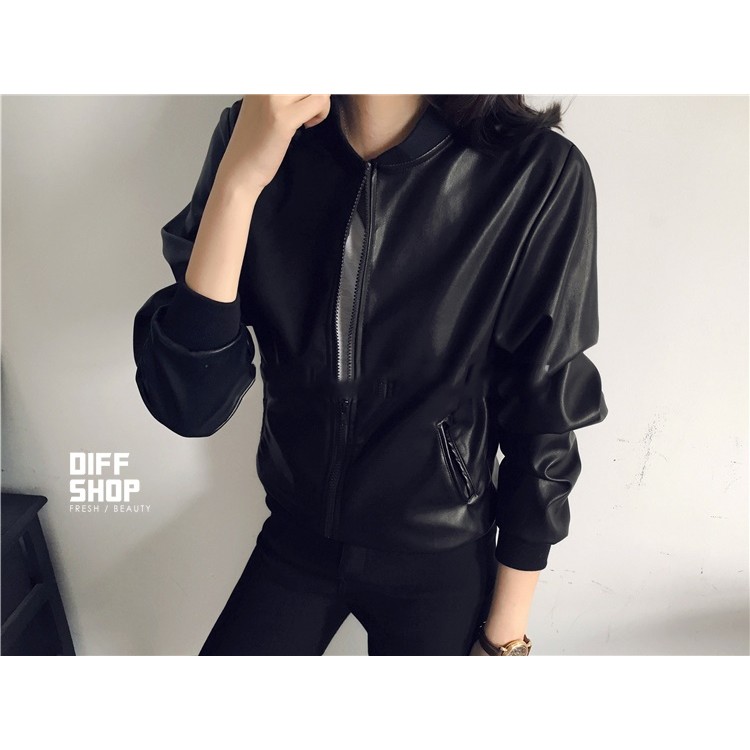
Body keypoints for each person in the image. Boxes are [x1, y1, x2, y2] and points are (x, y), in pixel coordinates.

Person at [132, 94, 608, 656]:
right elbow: (192, 403)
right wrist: (239, 180)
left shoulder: (537, 170)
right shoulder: (255, 130)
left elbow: (544, 412)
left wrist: (505, 640)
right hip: (296, 535)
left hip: (440, 553)